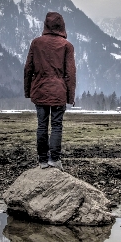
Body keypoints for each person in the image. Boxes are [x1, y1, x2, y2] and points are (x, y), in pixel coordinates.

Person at [24, 11, 76, 170]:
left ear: (46, 25)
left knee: (41, 125)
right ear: (62, 25)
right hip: (59, 91)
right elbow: (71, 73)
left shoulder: (36, 43)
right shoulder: (66, 46)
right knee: (56, 125)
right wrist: (70, 96)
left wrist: (28, 91)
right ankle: (54, 159)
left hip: (39, 90)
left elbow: (28, 69)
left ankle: (42, 160)